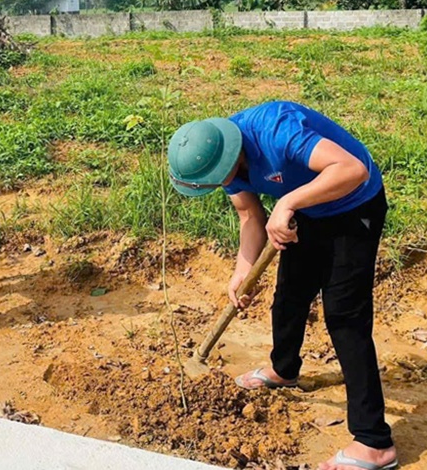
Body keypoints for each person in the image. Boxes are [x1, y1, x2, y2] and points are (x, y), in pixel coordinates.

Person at [167, 101, 398, 470]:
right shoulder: (223, 159)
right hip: (306, 210)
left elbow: (352, 170)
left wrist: (289, 201)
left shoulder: (277, 130)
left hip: (355, 204)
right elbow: (249, 214)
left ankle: (374, 443)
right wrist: (242, 270)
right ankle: (284, 370)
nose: (224, 186)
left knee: (343, 316)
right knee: (289, 298)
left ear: (229, 159)